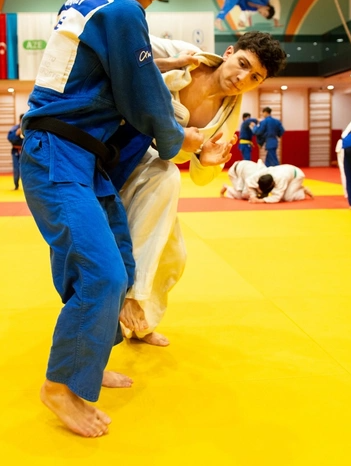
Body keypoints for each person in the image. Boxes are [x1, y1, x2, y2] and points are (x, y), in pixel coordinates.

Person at [19, 0, 199, 438]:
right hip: (58, 156)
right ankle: (61, 386)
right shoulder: (122, 9)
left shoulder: (88, 0)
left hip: (82, 159)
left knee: (119, 261)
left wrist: (170, 61)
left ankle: (89, 363)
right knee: (101, 274)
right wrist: (181, 139)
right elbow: (143, 97)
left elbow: (123, 66)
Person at [115, 31, 285, 348]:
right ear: (229, 52)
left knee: (174, 257)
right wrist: (167, 64)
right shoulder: (186, 57)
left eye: (255, 77)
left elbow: (203, 179)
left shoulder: (228, 117)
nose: (243, 78)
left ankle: (141, 326)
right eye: (243, 64)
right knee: (169, 175)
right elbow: (131, 43)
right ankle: (133, 295)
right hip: (119, 153)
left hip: (151, 173)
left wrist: (206, 161)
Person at [221, 160, 313, 203]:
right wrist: (253, 197)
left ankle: (302, 191)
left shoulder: (281, 179)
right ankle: (229, 189)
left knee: (287, 197)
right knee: (244, 194)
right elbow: (249, 182)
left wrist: (260, 201)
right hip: (236, 171)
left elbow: (277, 197)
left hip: (296, 175)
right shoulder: (262, 174)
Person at [7, 115, 24, 190]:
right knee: (16, 169)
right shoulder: (14, 128)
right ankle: (16, 185)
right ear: (19, 120)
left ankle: (27, 186)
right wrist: (16, 134)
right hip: (16, 151)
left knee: (26, 169)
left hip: (25, 151)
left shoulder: (29, 128)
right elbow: (9, 138)